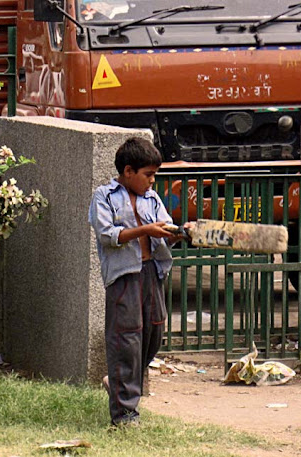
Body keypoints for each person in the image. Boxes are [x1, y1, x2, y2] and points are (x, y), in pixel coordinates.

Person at [88, 137, 189, 426]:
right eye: (148, 175)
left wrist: (180, 232)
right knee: (126, 340)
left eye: (155, 175)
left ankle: (118, 380)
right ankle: (125, 414)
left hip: (151, 272)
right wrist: (144, 229)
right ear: (128, 171)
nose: (152, 181)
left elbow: (165, 228)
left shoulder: (152, 199)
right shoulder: (104, 196)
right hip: (124, 277)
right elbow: (108, 235)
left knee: (154, 332)